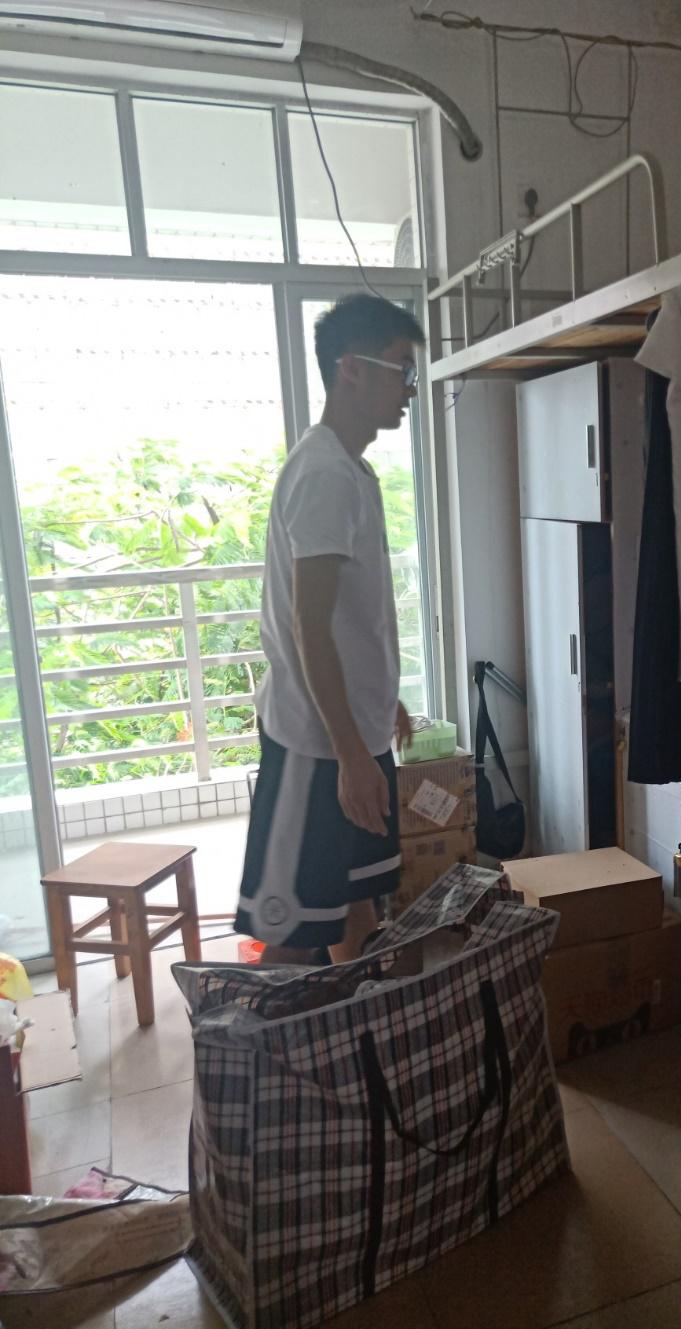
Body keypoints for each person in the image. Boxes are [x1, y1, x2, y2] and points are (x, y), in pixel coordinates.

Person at [235, 293, 425, 964]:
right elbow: (308, 627)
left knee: (356, 905)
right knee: (293, 931)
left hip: (350, 733)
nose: (410, 389)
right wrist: (348, 752)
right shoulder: (323, 474)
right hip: (315, 746)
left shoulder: (350, 468)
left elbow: (348, 619)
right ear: (353, 369)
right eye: (402, 370)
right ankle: (269, 1037)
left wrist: (378, 702)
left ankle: (364, 1026)